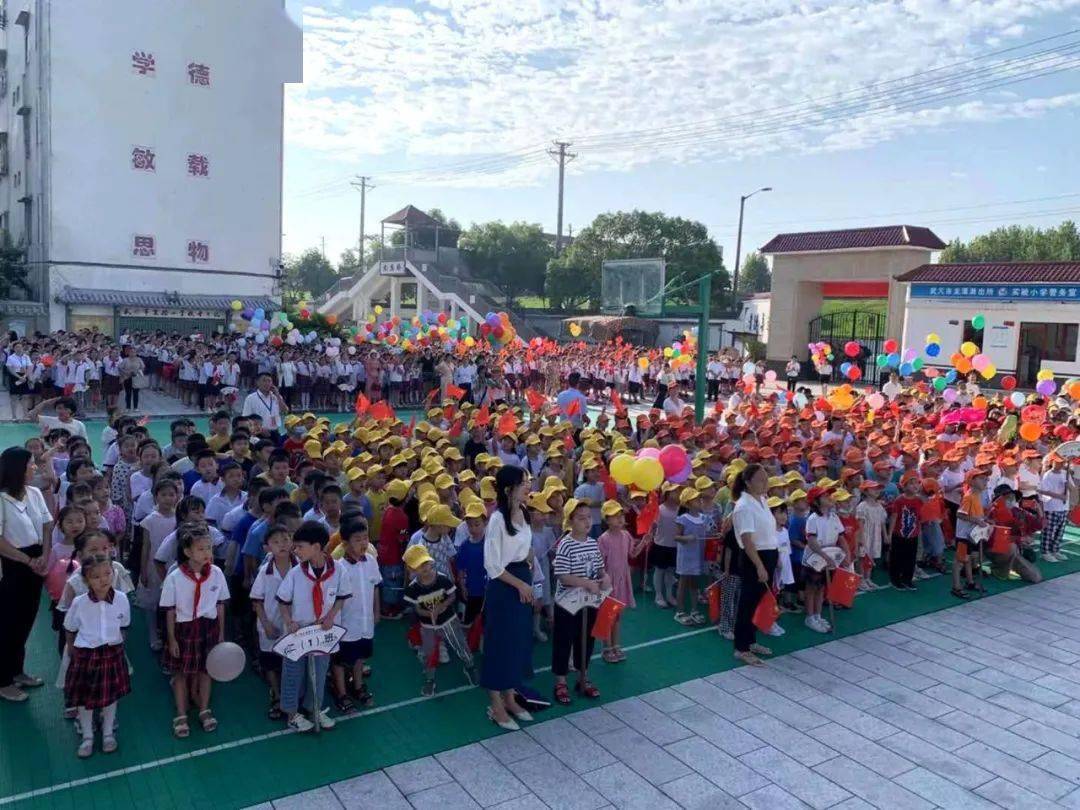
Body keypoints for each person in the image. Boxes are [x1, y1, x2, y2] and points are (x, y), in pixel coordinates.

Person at [276, 520, 347, 733]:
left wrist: (331, 616)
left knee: (319, 670)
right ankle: (291, 713)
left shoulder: (338, 569)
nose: (295, 551)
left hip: (323, 632)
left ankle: (313, 707)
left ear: (316, 547)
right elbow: (283, 601)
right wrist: (289, 621)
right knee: (293, 672)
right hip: (298, 634)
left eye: (300, 546)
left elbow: (342, 597)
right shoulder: (296, 573)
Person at [160, 523, 230, 738]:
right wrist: (172, 639)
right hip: (183, 630)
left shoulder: (217, 573)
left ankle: (204, 708)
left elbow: (220, 604)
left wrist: (220, 632)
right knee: (180, 673)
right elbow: (170, 611)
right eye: (201, 549)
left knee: (206, 671)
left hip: (207, 627)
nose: (208, 553)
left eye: (209, 548)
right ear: (187, 552)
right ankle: (181, 713)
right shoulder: (175, 577)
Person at [480, 465, 535, 731]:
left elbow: (522, 546)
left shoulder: (524, 512)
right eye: (523, 482)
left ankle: (511, 697)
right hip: (504, 587)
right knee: (499, 644)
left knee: (517, 642)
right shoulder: (497, 519)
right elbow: (492, 565)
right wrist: (520, 585)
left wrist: (529, 559)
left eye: (528, 481)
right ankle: (496, 704)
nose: (528, 485)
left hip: (521, 579)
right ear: (508, 489)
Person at [63, 553, 132, 758]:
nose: (103, 579)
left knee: (110, 698)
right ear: (86, 580)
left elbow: (124, 626)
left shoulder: (121, 599)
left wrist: (118, 648)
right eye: (96, 577)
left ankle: (108, 732)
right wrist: (72, 651)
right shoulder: (79, 602)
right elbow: (70, 627)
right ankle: (87, 736)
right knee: (85, 700)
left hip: (111, 653)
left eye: (107, 573)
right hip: (86, 655)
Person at [0, 446, 52, 701]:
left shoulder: (33, 493)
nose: (34, 467)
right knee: (8, 623)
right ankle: (3, 680)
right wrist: (27, 560)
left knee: (26, 619)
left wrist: (45, 555)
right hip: (12, 565)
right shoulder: (1, 500)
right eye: (31, 464)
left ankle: (17, 671)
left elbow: (47, 524)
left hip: (36, 561)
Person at [552, 498, 610, 703]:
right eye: (580, 518)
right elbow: (562, 575)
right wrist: (585, 583)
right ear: (570, 521)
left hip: (588, 601)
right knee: (563, 640)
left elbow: (600, 570)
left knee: (586, 639)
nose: (586, 522)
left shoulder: (593, 543)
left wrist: (605, 578)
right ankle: (560, 681)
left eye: (588, 517)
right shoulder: (566, 544)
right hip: (567, 603)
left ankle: (582, 677)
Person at [403, 544, 474, 697]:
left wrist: (442, 606)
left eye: (425, 563)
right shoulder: (412, 589)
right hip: (427, 626)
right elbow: (417, 609)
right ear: (411, 569)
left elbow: (452, 596)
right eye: (419, 566)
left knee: (461, 644)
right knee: (429, 654)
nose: (424, 568)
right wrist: (429, 614)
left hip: (449, 621)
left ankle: (469, 666)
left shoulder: (442, 579)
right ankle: (430, 680)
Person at [730, 464, 778, 666]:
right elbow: (748, 541)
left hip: (768, 553)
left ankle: (751, 640)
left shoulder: (762, 500)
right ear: (748, 483)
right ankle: (741, 648)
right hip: (754, 557)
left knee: (758, 601)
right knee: (747, 603)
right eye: (760, 479)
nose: (765, 483)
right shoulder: (744, 506)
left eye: (766, 478)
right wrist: (759, 565)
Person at [331, 516, 380, 711]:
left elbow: (375, 586)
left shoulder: (371, 561)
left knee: (360, 656)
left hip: (365, 621)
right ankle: (341, 692)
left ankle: (357, 686)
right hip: (345, 623)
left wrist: (377, 611)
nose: (363, 543)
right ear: (345, 543)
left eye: (365, 538)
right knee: (341, 660)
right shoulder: (339, 568)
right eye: (357, 539)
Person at [241, 373, 288, 439]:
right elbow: (246, 418)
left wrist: (277, 395)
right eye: (264, 380)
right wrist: (260, 429)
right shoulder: (250, 398)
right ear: (257, 382)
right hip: (259, 433)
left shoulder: (276, 397)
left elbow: (285, 412)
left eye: (269, 381)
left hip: (275, 432)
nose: (267, 383)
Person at [118, 345, 146, 411]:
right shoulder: (125, 359)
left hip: (136, 377)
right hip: (127, 377)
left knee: (136, 393)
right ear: (129, 353)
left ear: (136, 353)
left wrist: (138, 371)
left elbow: (143, 367)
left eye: (134, 352)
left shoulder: (139, 359)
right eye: (131, 352)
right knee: (128, 393)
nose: (132, 353)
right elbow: (120, 368)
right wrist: (126, 372)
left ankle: (136, 407)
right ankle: (128, 407)